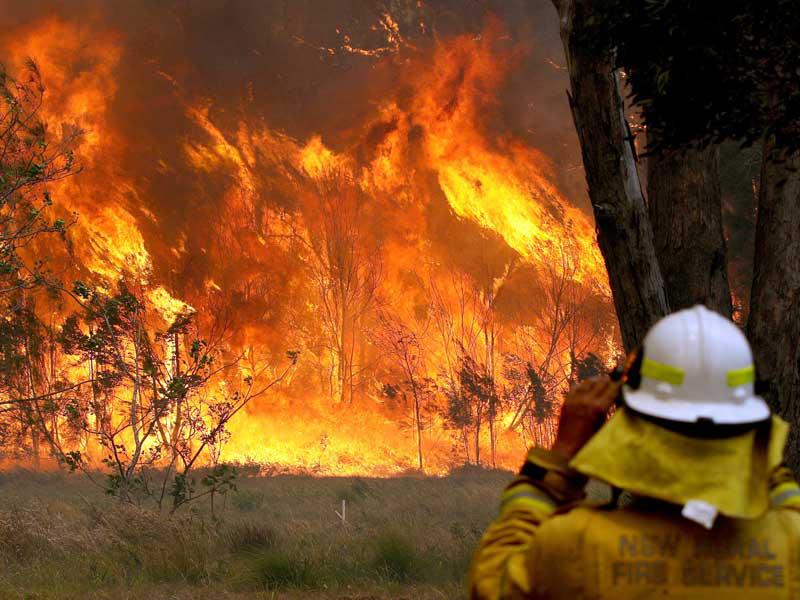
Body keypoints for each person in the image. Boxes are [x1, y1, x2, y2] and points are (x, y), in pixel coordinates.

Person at [469, 305, 800, 599]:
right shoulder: (791, 543)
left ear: (632, 425)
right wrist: (752, 439)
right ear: (748, 424)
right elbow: (786, 497)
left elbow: (492, 584)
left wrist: (560, 460)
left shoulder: (577, 545)